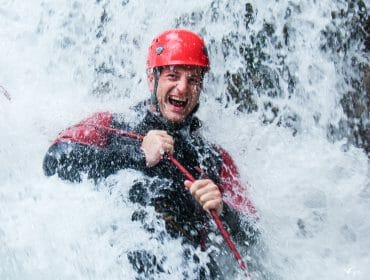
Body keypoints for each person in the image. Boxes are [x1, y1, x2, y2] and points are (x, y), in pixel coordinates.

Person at [43, 28, 258, 279]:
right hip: (115, 259)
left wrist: (223, 211)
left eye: (193, 80)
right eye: (172, 76)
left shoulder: (214, 158)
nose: (182, 88)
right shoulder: (112, 124)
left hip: (189, 268)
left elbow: (253, 237)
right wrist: (137, 155)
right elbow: (55, 159)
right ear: (151, 78)